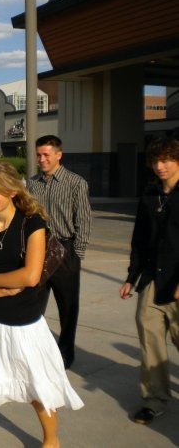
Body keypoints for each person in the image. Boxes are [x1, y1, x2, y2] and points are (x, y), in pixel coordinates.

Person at [0, 162, 84, 448]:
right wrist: (4, 290)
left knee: (39, 392)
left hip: (26, 325)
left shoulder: (32, 223)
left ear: (12, 191)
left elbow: (29, 276)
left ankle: (51, 441)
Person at [119, 136, 179, 425]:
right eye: (155, 161)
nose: (160, 166)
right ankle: (155, 399)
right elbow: (140, 240)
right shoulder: (149, 195)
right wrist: (132, 277)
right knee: (150, 341)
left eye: (166, 160)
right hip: (152, 281)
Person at [25, 135, 91, 369]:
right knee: (33, 304)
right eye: (39, 155)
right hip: (39, 250)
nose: (41, 159)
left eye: (46, 155)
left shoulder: (76, 183)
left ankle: (65, 354)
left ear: (58, 155)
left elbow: (83, 221)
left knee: (68, 307)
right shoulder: (32, 183)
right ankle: (34, 350)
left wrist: (76, 255)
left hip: (66, 250)